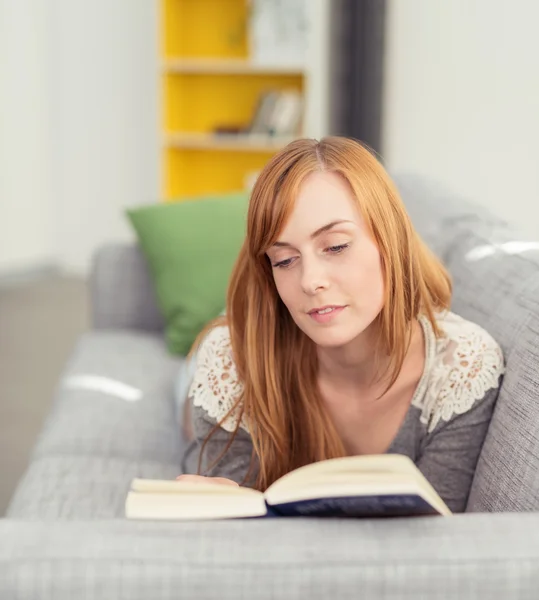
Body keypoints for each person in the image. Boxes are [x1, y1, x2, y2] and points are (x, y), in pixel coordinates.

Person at [176, 136, 504, 513]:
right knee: (196, 373)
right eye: (283, 260)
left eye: (335, 246)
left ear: (389, 241)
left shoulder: (460, 370)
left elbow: (437, 541)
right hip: (225, 354)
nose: (309, 281)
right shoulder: (227, 365)